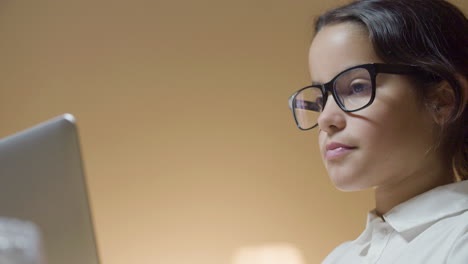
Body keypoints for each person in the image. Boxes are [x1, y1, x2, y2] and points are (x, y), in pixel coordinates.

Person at [288, 0, 467, 263]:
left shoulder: (459, 240)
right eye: (320, 100)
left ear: (443, 100)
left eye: (357, 87)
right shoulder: (340, 258)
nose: (326, 118)